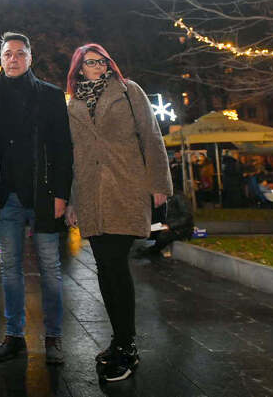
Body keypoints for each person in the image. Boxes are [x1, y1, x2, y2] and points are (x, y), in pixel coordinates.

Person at [64, 43, 171, 383]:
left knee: (114, 266)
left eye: (101, 61)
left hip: (126, 188)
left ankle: (127, 346)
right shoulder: (74, 103)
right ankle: (120, 341)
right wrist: (71, 201)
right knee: (106, 271)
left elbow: (152, 137)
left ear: (110, 64)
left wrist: (159, 186)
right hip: (91, 195)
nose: (97, 67)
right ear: (79, 69)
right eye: (89, 63)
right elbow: (73, 155)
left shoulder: (129, 91)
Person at [0, 32, 72, 365]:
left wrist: (63, 193)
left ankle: (53, 338)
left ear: (30, 57)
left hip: (44, 194)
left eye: (20, 53)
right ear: (1, 58)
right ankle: (14, 336)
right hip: (7, 197)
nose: (14, 59)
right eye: (8, 54)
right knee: (9, 270)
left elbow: (63, 149)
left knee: (50, 269)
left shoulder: (49, 96)